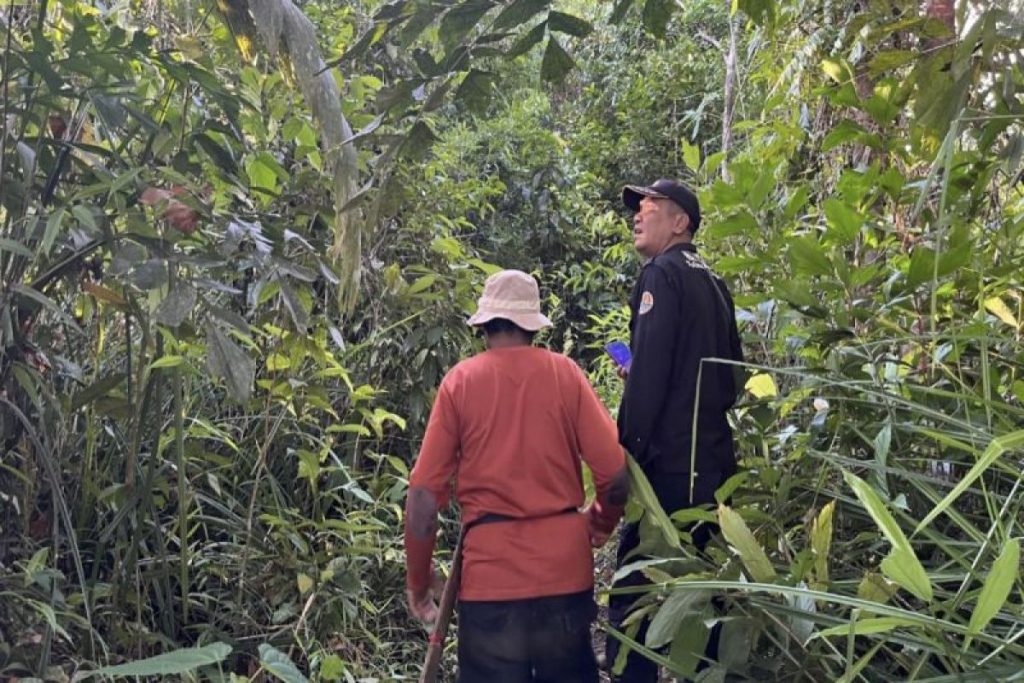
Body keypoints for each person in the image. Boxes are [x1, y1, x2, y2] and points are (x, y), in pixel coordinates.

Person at [404, 269, 630, 682]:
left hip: (491, 585)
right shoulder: (566, 375)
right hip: (565, 573)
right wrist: (597, 524)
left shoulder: (460, 384)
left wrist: (418, 583)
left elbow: (422, 503)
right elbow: (616, 477)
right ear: (533, 326)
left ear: (485, 325)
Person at [606, 179, 744, 681]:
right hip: (712, 464)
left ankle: (631, 674)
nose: (638, 215)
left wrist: (626, 458)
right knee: (706, 587)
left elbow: (652, 381)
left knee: (634, 591)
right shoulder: (713, 281)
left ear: (680, 221)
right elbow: (732, 375)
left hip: (667, 468)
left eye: (650, 206)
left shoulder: (660, 274)